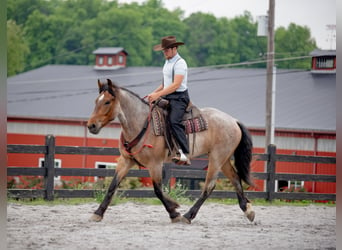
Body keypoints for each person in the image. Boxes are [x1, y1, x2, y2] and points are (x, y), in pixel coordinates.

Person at [147, 36, 191, 165]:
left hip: (179, 98)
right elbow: (165, 83)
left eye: (166, 50)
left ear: (174, 48)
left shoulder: (180, 63)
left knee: (174, 121)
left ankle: (184, 152)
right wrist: (154, 93)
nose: (164, 53)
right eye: (163, 50)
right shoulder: (168, 62)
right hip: (167, 95)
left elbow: (175, 85)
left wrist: (158, 95)